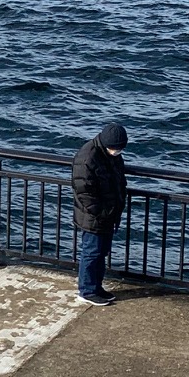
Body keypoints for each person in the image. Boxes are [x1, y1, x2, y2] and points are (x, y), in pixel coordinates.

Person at [70, 122, 128, 305]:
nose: (116, 152)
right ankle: (86, 290)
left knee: (101, 252)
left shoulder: (110, 155)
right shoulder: (87, 158)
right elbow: (84, 192)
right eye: (114, 148)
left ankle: (96, 287)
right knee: (91, 252)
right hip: (94, 216)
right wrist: (102, 213)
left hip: (108, 214)